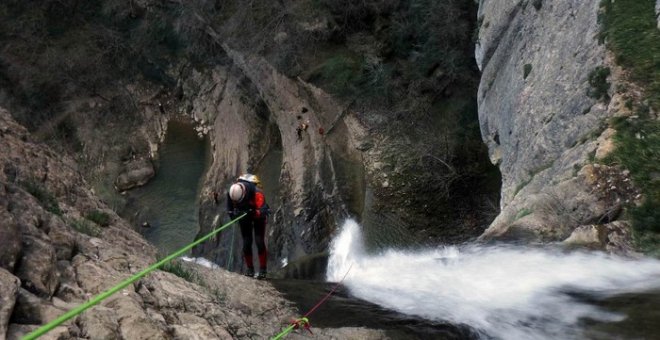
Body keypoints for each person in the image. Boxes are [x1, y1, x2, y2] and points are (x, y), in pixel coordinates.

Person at [227, 174, 269, 279]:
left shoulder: (258, 194)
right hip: (244, 215)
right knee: (246, 243)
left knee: (259, 242)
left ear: (244, 194)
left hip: (256, 216)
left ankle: (263, 270)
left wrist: (253, 213)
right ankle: (250, 269)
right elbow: (230, 209)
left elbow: (263, 211)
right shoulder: (232, 193)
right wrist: (233, 215)